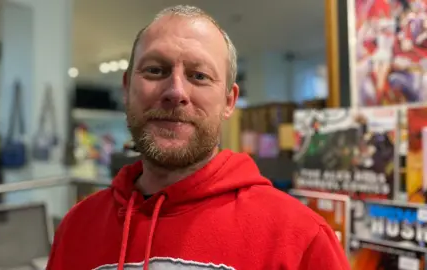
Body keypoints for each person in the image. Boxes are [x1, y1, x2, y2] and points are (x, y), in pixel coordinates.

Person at [47, 5, 350, 270]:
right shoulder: (77, 228)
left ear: (229, 101)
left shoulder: (301, 238)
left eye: (199, 76)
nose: (176, 92)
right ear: (126, 89)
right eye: (155, 70)